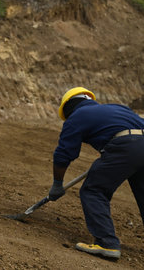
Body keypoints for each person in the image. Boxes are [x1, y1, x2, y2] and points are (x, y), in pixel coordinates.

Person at [48, 87, 144, 260]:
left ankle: (106, 243)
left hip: (125, 146)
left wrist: (57, 184)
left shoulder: (76, 117)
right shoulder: (117, 108)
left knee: (94, 190)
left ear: (68, 108)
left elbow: (63, 154)